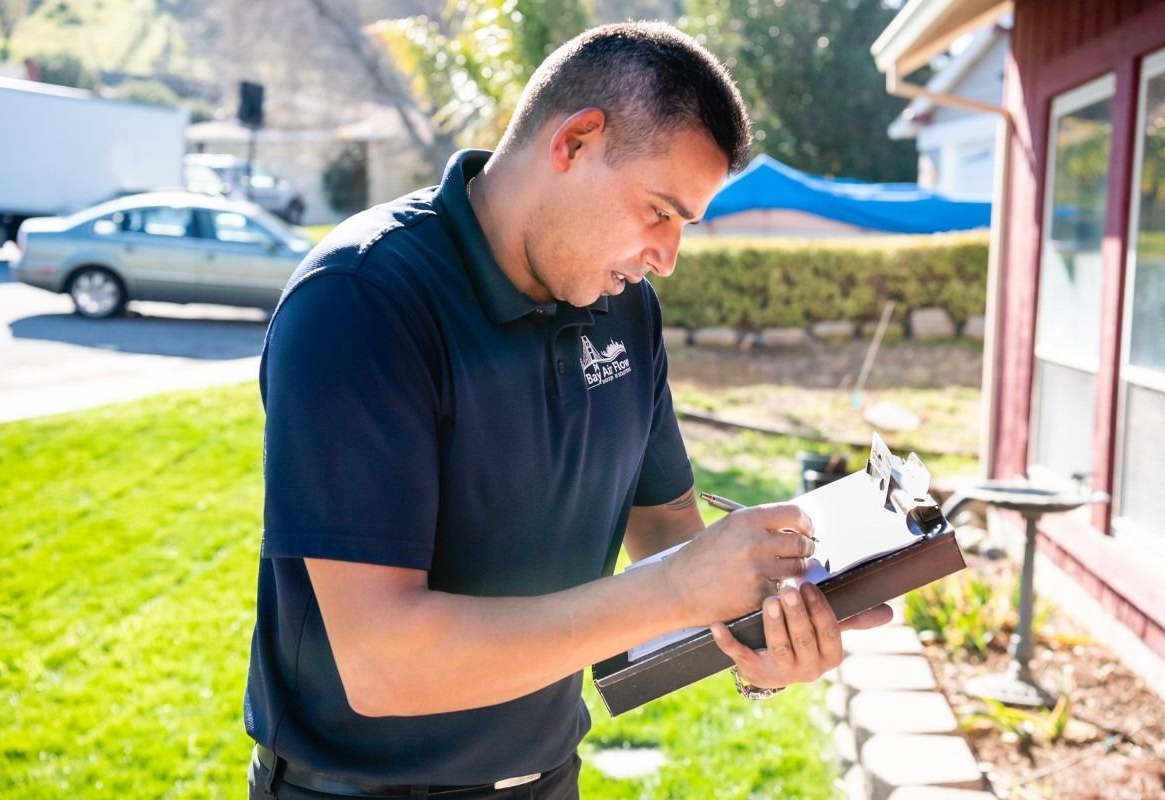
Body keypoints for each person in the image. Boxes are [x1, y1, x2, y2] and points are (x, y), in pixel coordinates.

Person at [244, 20, 892, 800]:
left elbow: (667, 539)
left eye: (684, 226)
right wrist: (682, 587)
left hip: (549, 778)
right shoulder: (361, 301)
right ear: (575, 141)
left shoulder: (626, 308)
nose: (667, 257)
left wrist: (766, 634)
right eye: (659, 211)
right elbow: (384, 664)